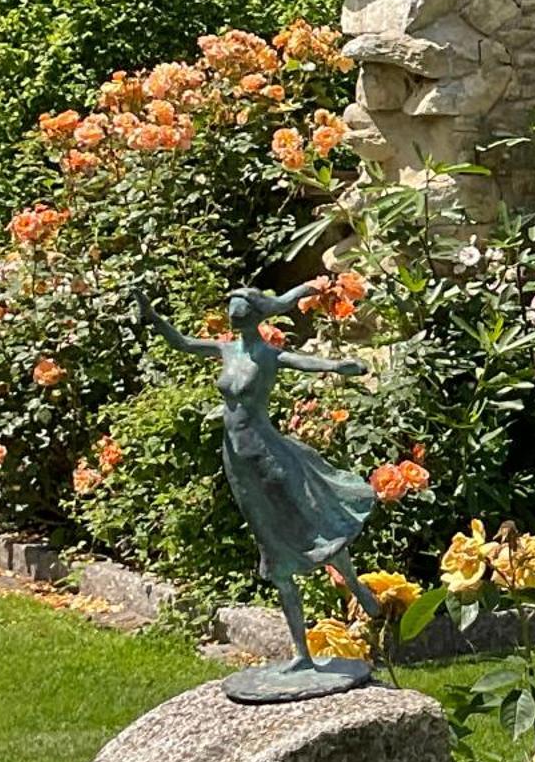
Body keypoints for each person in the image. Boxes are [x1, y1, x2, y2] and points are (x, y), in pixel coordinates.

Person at [138, 283, 380, 676]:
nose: (233, 313)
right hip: (239, 463)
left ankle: (357, 587)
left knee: (311, 526)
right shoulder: (225, 350)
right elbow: (181, 343)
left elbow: (306, 362)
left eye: (239, 307)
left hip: (270, 457)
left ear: (253, 315)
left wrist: (339, 367)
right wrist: (152, 317)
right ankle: (301, 651)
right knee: (275, 553)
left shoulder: (268, 355)